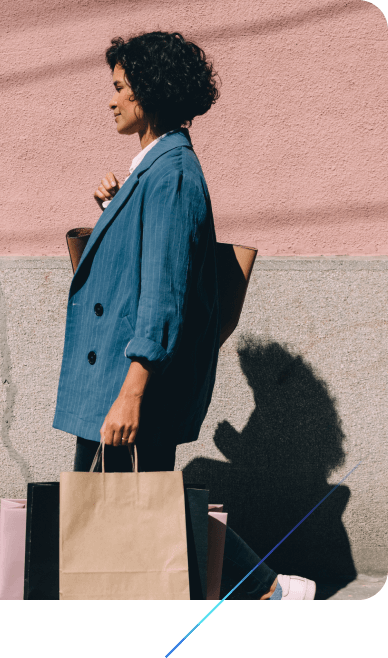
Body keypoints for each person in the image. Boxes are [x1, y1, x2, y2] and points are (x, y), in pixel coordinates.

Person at [52, 31, 315, 600]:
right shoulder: (156, 169)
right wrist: (116, 205)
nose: (112, 99)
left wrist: (132, 393)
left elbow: (164, 298)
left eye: (120, 87)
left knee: (134, 503)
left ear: (151, 92)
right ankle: (269, 590)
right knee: (134, 502)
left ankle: (269, 590)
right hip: (117, 378)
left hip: (130, 380)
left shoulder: (171, 175)